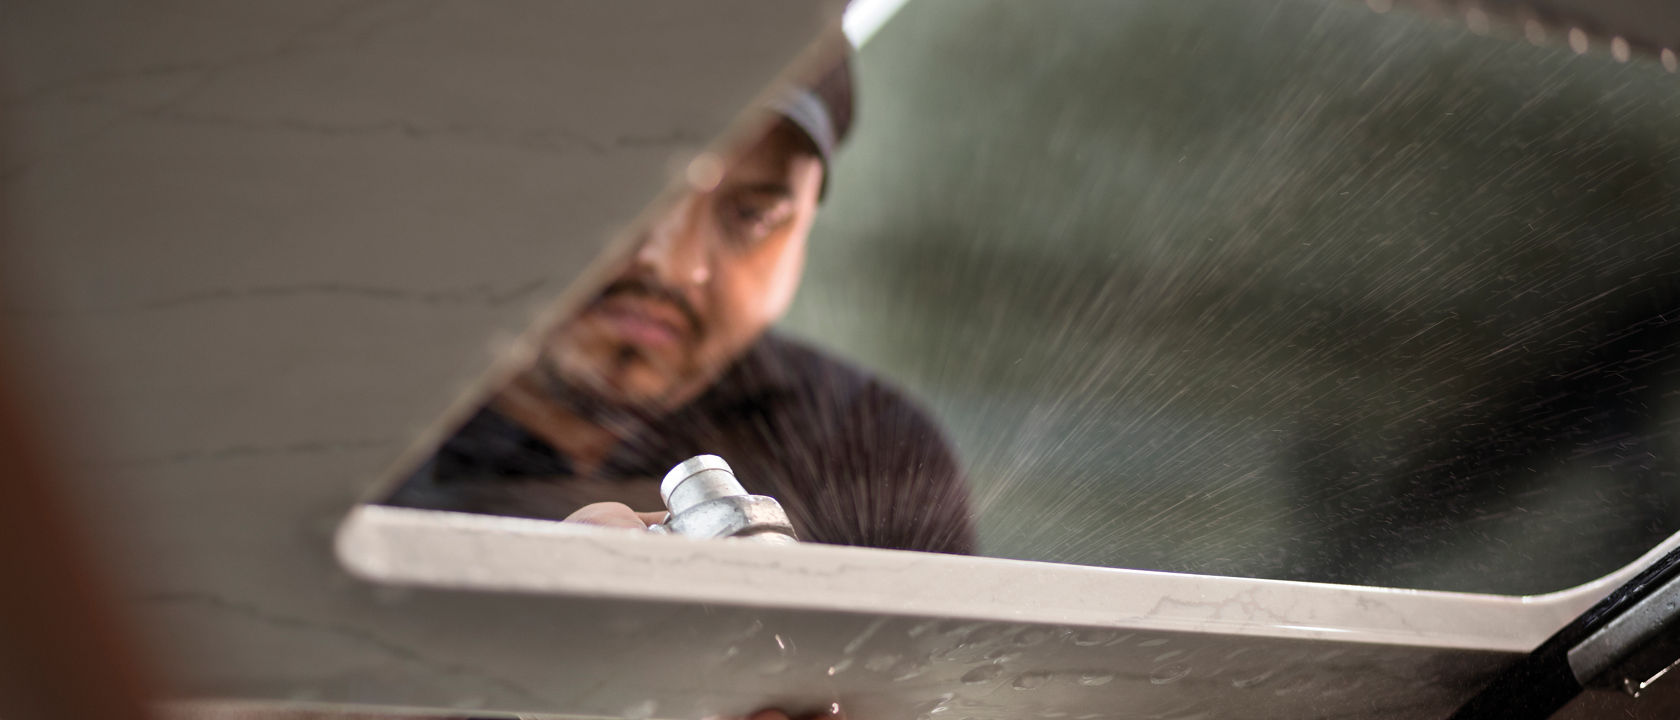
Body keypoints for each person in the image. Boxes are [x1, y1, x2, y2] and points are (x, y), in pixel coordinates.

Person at [385, 42, 976, 556]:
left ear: (804, 232)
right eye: (637, 189)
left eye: (751, 215)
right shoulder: (355, 414)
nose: (675, 265)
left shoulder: (870, 447)